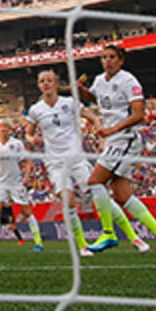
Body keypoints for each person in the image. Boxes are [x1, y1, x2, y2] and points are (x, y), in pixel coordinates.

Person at [77, 45, 156, 256]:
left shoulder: (128, 81)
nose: (107, 61)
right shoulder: (101, 80)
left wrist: (114, 128)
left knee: (94, 182)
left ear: (121, 60)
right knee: (122, 195)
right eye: (104, 58)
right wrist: (80, 90)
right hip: (114, 140)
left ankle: (108, 233)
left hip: (125, 139)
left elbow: (140, 113)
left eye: (112, 57)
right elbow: (92, 98)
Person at [24, 69, 130, 257]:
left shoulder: (70, 103)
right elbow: (28, 134)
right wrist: (33, 140)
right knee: (68, 201)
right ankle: (82, 245)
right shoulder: (35, 110)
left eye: (49, 80)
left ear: (56, 83)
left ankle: (132, 236)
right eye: (42, 81)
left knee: (99, 194)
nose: (46, 84)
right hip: (55, 163)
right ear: (39, 85)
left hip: (77, 159)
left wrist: (100, 134)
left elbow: (92, 116)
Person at [0, 118, 43, 251]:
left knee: (27, 211)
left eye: (6, 126)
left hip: (16, 182)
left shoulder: (17, 144)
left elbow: (28, 160)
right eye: (1, 126)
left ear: (10, 129)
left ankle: (38, 242)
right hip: (1, 182)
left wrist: (27, 176)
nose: (3, 128)